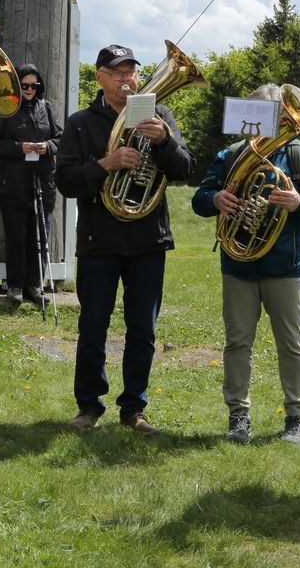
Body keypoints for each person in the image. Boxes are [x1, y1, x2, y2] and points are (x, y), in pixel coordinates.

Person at [54, 44, 195, 433]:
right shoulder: (81, 122)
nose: (126, 79)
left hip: (149, 239)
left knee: (143, 330)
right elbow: (64, 181)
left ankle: (134, 408)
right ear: (99, 76)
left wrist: (165, 140)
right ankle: (88, 406)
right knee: (93, 325)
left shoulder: (159, 114)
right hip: (100, 240)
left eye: (131, 71)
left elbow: (185, 168)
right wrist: (106, 163)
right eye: (117, 72)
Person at [191, 84, 300, 445]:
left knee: (291, 343)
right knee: (237, 342)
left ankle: (295, 417)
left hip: (285, 265)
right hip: (238, 264)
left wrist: (298, 202)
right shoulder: (229, 155)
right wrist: (215, 199)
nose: (255, 123)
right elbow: (199, 199)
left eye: (267, 114)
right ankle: (238, 415)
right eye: (250, 114)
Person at [0, 63, 62, 305]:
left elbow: (60, 138)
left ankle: (34, 285)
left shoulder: (45, 107)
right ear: (17, 85)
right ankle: (16, 285)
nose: (29, 89)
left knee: (39, 235)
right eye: (25, 85)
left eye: (33, 85)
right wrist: (20, 148)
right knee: (16, 236)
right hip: (13, 184)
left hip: (42, 182)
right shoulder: (5, 108)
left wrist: (47, 147)